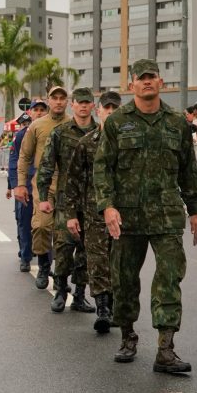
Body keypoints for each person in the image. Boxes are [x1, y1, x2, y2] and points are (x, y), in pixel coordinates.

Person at [94, 59, 197, 373]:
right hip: (127, 217)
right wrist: (108, 206)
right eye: (140, 79)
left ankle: (166, 349)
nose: (146, 83)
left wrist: (195, 209)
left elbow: (188, 170)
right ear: (132, 85)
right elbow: (103, 168)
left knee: (170, 276)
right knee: (125, 279)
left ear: (161, 82)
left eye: (151, 78)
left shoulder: (176, 122)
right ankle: (128, 336)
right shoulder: (116, 123)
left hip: (167, 215)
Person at [64, 91, 122, 333]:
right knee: (97, 261)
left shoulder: (129, 143)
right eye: (106, 109)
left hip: (124, 212)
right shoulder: (87, 143)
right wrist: (70, 214)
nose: (110, 113)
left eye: (114, 109)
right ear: (99, 111)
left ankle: (119, 305)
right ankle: (103, 308)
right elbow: (73, 181)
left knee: (119, 261)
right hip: (93, 212)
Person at [36, 88, 97, 314]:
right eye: (79, 102)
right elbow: (46, 165)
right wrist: (43, 197)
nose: (83, 106)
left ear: (93, 105)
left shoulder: (100, 132)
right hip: (65, 199)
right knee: (63, 246)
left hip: (92, 200)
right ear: (73, 105)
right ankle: (61, 290)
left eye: (87, 102)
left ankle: (80, 294)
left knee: (86, 250)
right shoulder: (60, 133)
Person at [14, 86, 70, 290]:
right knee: (41, 225)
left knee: (64, 232)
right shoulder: (36, 126)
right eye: (54, 98)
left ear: (67, 101)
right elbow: (24, 156)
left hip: (68, 182)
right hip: (43, 181)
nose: (58, 101)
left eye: (62, 98)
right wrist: (20, 184)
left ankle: (61, 274)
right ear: (49, 100)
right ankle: (44, 265)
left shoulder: (73, 124)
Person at [6, 99, 48, 272]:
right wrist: (14, 185)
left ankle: (46, 261)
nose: (39, 112)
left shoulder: (52, 132)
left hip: (46, 185)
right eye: (35, 110)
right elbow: (14, 161)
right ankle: (25, 256)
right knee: (24, 221)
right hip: (26, 186)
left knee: (46, 224)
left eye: (42, 110)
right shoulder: (22, 135)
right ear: (30, 113)